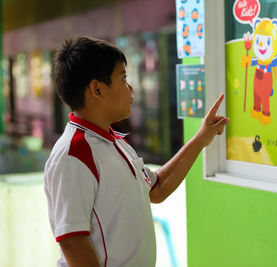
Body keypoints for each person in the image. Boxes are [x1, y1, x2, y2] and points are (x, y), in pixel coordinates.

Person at [44, 36, 229, 267]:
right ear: (97, 89)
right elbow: (72, 242)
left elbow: (157, 189)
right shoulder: (73, 155)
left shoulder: (115, 142)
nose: (131, 87)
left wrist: (201, 139)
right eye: (123, 78)